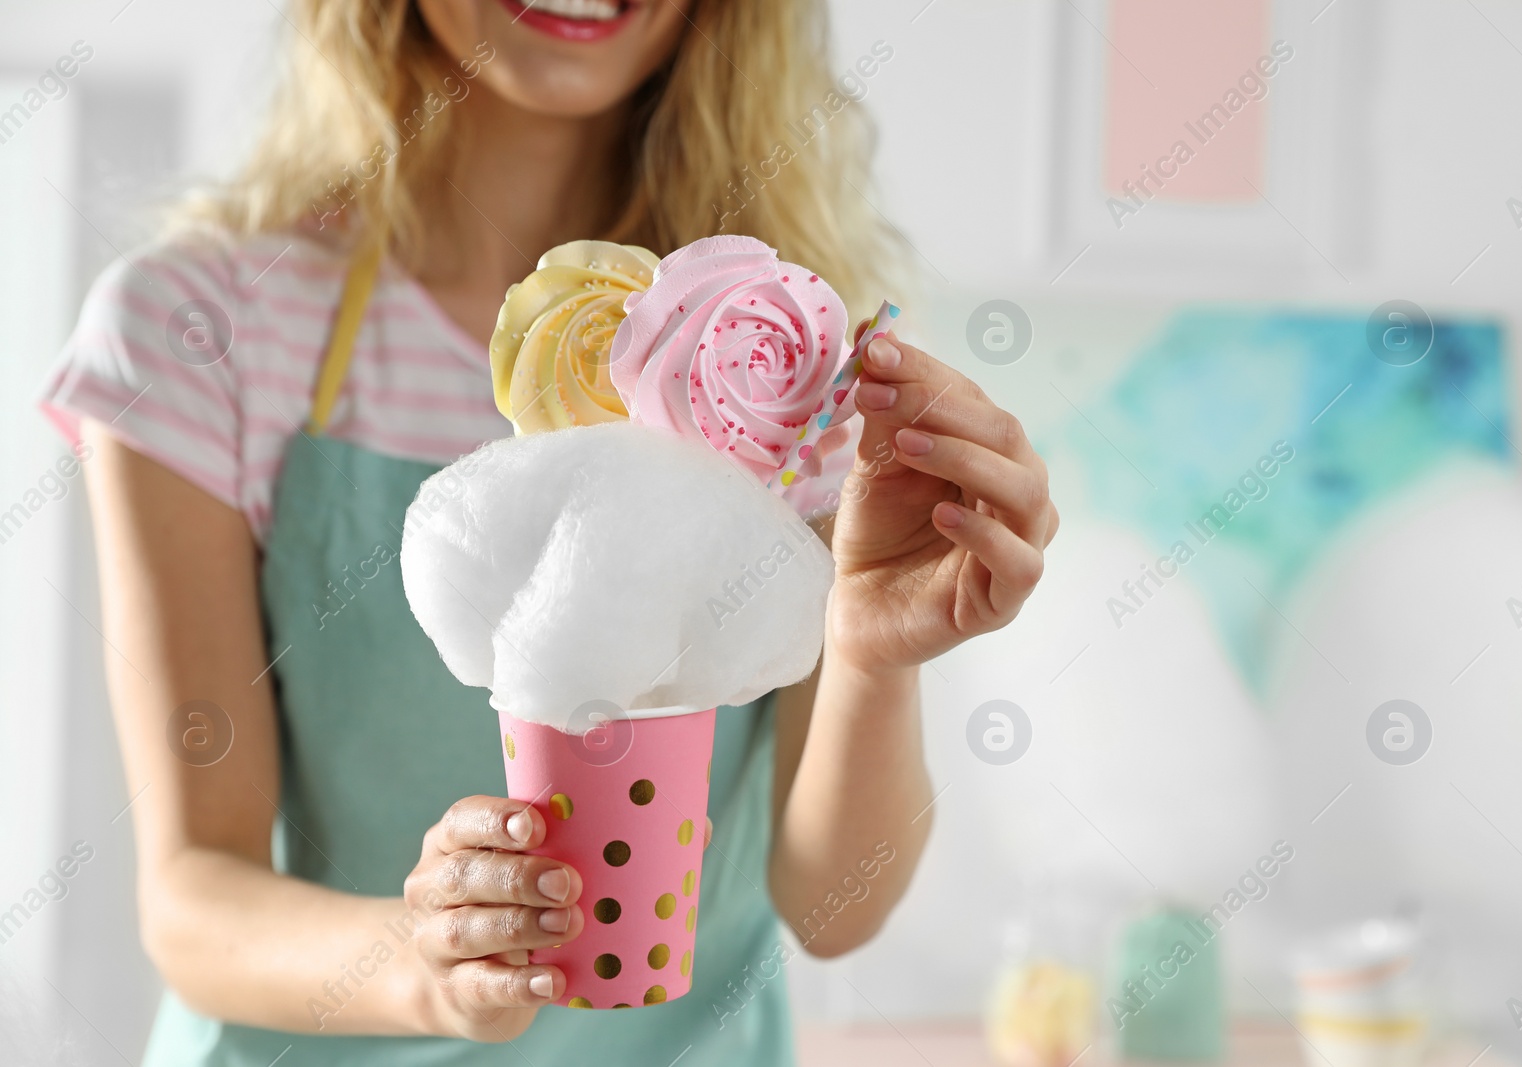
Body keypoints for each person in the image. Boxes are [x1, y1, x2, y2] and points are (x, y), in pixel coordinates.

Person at [40, 1, 1057, 1063]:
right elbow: (191, 896)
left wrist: (872, 652)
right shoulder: (206, 327)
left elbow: (833, 908)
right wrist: (423, 965)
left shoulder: (777, 371)